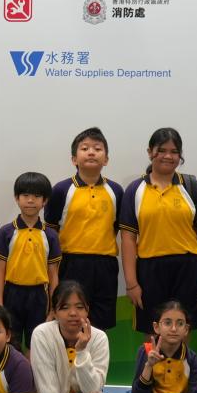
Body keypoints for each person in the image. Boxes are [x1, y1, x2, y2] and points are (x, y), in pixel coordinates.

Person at [120, 128, 197, 333]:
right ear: (150, 152)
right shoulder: (135, 190)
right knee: (152, 330)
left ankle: (182, 357)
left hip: (188, 267)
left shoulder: (191, 186)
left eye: (174, 151)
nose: (168, 156)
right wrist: (131, 283)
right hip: (149, 269)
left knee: (182, 328)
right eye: (161, 150)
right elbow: (128, 238)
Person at [45, 128, 125, 331]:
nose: (91, 152)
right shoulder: (61, 190)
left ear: (106, 159)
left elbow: (117, 227)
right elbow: (51, 232)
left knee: (100, 325)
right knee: (69, 322)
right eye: (85, 148)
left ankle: (97, 354)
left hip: (105, 265)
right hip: (70, 264)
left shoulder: (116, 191)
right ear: (74, 159)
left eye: (97, 148)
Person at [0, 172, 62, 350]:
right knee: (10, 343)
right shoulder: (5, 232)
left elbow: (53, 274)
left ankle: (32, 370)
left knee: (36, 344)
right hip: (11, 294)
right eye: (25, 195)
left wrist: (54, 307)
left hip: (39, 296)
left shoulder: (50, 235)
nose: (30, 200)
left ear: (45, 201)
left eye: (37, 196)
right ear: (17, 198)